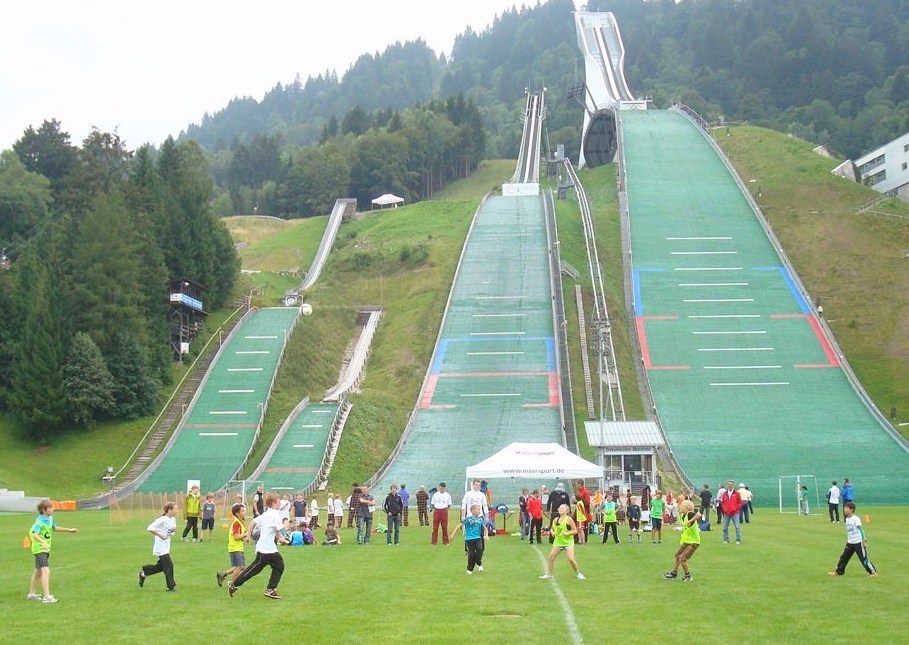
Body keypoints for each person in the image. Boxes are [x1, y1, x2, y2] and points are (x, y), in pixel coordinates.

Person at [228, 493, 288, 600]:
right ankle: (234, 584)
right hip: (265, 549)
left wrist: (248, 535)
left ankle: (270, 589)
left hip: (270, 548)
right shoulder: (274, 514)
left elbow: (253, 522)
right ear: (274, 503)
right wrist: (286, 524)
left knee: (279, 565)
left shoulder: (267, 513)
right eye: (279, 502)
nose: (280, 504)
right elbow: (279, 527)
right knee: (254, 569)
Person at [27, 499, 78, 603]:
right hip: (39, 549)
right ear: (44, 510)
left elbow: (54, 528)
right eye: (50, 508)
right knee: (45, 570)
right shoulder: (39, 522)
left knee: (38, 571)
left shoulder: (50, 519)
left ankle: (31, 594)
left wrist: (68, 530)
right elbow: (35, 534)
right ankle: (47, 597)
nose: (52, 509)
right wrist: (43, 542)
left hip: (45, 549)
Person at [828, 502, 877, 577]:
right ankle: (838, 572)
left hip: (858, 543)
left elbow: (861, 529)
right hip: (850, 543)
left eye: (846, 508)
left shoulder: (856, 519)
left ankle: (873, 572)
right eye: (844, 508)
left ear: (851, 510)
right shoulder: (847, 519)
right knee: (843, 558)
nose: (845, 510)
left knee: (863, 559)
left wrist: (864, 539)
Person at [540, 504, 585, 580]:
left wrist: (567, 533)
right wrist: (553, 533)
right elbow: (552, 529)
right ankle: (549, 574)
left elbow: (575, 531)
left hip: (568, 542)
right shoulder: (556, 520)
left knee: (571, 559)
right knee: (551, 557)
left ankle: (578, 574)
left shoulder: (569, 520)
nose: (560, 509)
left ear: (566, 511)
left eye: (562, 508)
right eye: (560, 508)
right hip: (558, 542)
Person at [139, 501, 177, 592]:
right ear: (169, 510)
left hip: (166, 546)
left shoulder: (172, 519)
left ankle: (144, 573)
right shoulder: (162, 519)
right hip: (160, 547)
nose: (177, 511)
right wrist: (161, 536)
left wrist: (173, 530)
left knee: (161, 566)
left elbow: (172, 532)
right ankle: (170, 587)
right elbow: (150, 528)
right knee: (169, 566)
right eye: (175, 509)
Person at [663, 500, 701, 582]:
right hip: (687, 541)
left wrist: (690, 521)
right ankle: (674, 574)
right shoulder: (684, 515)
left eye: (682, 505)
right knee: (677, 556)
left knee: (682, 558)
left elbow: (699, 514)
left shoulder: (690, 514)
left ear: (687, 507)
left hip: (693, 542)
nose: (680, 507)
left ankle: (688, 576)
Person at [450, 503, 488, 574]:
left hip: (478, 538)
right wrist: (452, 535)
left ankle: (478, 563)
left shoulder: (480, 520)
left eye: (479, 510)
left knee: (480, 550)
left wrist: (486, 535)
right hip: (469, 539)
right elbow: (458, 526)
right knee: (471, 554)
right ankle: (470, 569)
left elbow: (485, 529)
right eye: (478, 510)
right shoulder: (468, 519)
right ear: (473, 511)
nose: (479, 511)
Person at [217, 502, 247, 588]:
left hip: (237, 547)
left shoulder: (240, 522)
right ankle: (232, 584)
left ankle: (223, 574)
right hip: (235, 547)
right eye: (242, 511)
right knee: (240, 566)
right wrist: (245, 535)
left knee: (241, 567)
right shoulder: (236, 523)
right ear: (237, 513)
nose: (244, 512)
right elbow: (236, 537)